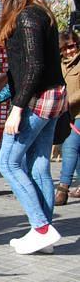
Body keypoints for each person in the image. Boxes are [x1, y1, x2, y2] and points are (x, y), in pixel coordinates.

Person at [0, 0, 66, 255]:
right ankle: (43, 233)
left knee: (8, 163)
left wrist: (17, 108)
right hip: (52, 97)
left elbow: (34, 67)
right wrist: (3, 92)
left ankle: (41, 228)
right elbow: (32, 65)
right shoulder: (43, 15)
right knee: (38, 166)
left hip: (36, 100)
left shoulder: (26, 17)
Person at [55, 30, 80, 205]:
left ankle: (62, 190)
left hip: (78, 113)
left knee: (69, 148)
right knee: (76, 151)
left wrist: (67, 102)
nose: (69, 51)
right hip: (66, 115)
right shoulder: (60, 64)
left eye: (72, 46)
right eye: (65, 48)